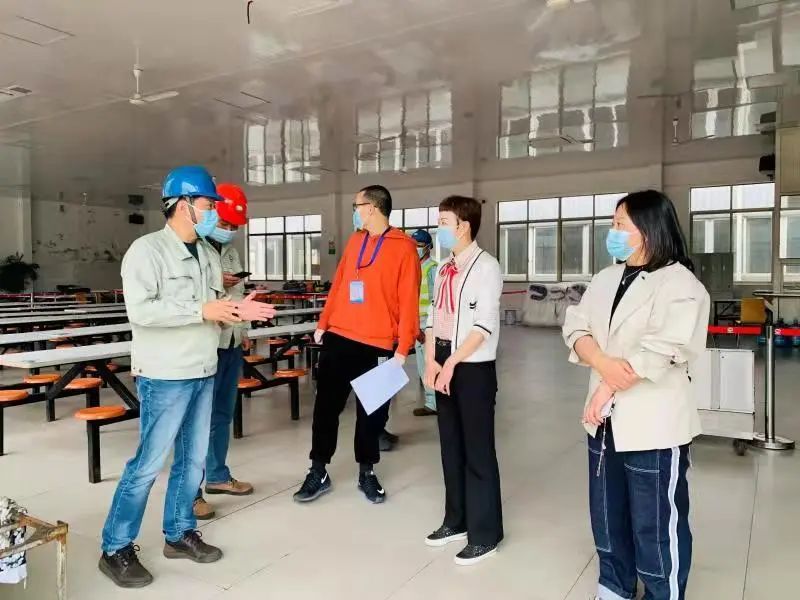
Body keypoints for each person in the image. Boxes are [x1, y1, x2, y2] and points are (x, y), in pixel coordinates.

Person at [98, 166, 275, 589]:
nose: (214, 212)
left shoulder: (209, 255)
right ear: (182, 205)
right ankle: (115, 548)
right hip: (165, 374)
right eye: (208, 204)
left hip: (203, 368)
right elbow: (142, 311)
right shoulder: (147, 251)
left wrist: (236, 310)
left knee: (193, 461)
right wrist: (202, 310)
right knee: (147, 464)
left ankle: (179, 533)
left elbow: (212, 308)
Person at [562, 190, 710, 600]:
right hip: (604, 419)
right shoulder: (606, 278)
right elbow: (575, 326)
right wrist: (601, 363)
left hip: (653, 423)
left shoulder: (681, 284)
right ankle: (614, 585)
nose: (612, 232)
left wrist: (607, 381)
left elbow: (661, 350)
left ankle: (663, 592)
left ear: (648, 229)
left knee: (655, 521)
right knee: (607, 512)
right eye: (612, 224)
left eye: (619, 225)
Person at [293, 185, 421, 504]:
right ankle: (318, 470)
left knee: (371, 414)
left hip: (379, 344)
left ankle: (367, 471)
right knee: (325, 409)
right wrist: (323, 323)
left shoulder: (404, 248)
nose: (354, 211)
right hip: (340, 337)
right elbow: (339, 285)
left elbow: (409, 300)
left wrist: (403, 347)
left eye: (356, 206)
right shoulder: (355, 241)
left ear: (372, 208)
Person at [422, 196, 504, 566]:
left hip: (471, 367)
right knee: (450, 446)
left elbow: (483, 325)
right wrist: (431, 361)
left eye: (443, 221)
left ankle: (485, 534)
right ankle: (456, 520)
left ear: (463, 226)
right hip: (442, 363)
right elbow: (432, 318)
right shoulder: (443, 269)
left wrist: (452, 362)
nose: (438, 228)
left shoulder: (487, 267)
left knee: (477, 450)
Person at [194, 183, 255, 521]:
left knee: (222, 414)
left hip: (230, 342)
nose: (229, 229)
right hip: (205, 343)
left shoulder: (230, 251)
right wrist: (220, 281)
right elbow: (192, 297)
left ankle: (217, 475)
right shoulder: (193, 248)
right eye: (224, 223)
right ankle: (191, 492)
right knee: (196, 420)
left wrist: (243, 331)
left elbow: (239, 294)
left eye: (234, 226)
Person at [411, 229, 438, 416]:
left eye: (419, 245)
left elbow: (437, 301)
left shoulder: (432, 268)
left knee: (428, 364)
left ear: (428, 247)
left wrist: (429, 328)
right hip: (416, 323)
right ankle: (433, 401)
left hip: (427, 325)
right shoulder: (413, 267)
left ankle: (433, 403)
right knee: (423, 365)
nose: (416, 249)